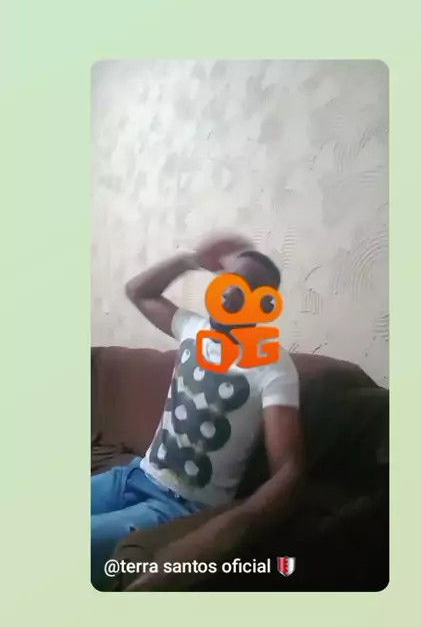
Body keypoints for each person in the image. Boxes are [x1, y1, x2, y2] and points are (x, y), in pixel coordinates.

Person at [91, 234, 304, 590]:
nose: (230, 292)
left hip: (180, 506)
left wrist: (235, 525)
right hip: (133, 475)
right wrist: (190, 260)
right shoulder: (192, 328)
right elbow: (138, 292)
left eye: (246, 288)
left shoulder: (274, 366)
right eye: (228, 280)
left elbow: (289, 470)